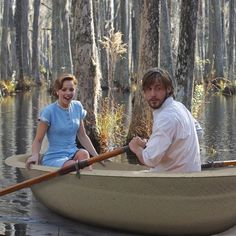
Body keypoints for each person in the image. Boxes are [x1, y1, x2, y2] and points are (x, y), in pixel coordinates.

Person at [128, 67, 202, 172]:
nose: (153, 94)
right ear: (144, 92)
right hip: (190, 174)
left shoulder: (166, 117)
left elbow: (149, 160)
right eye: (149, 89)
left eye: (158, 88)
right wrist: (150, 144)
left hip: (171, 180)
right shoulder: (179, 106)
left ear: (168, 89)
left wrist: (136, 148)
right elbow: (199, 132)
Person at [26, 73, 98, 169]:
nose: (68, 93)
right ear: (57, 91)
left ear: (75, 90)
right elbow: (38, 140)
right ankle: (78, 178)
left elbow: (82, 135)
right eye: (64, 89)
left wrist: (97, 157)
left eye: (71, 89)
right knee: (73, 164)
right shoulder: (49, 111)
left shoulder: (77, 106)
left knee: (84, 154)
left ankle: (86, 181)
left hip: (73, 153)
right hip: (55, 157)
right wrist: (35, 155)